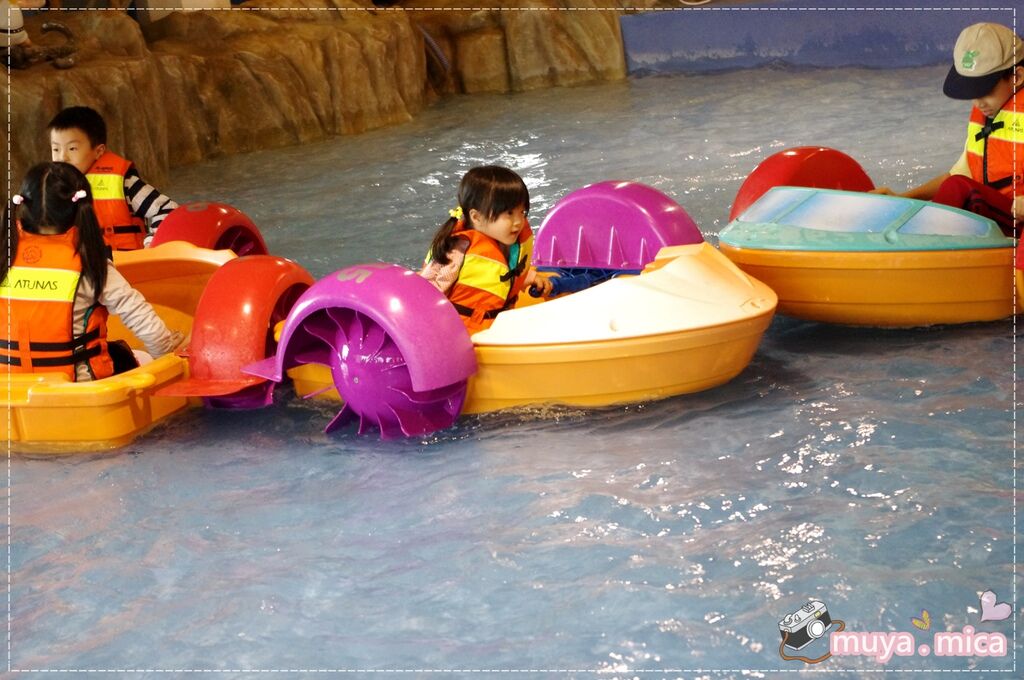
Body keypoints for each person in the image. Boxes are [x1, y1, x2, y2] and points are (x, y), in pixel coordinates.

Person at [1, 162, 184, 382]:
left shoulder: (4, 256)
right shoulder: (90, 263)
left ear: (23, 205)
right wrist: (168, 355)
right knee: (133, 356)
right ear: (82, 207)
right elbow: (139, 316)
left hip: (11, 388)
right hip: (78, 390)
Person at [872, 23, 1022, 236]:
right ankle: (916, 235)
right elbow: (957, 176)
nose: (978, 103)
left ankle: (919, 242)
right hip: (1002, 216)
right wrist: (903, 199)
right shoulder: (990, 117)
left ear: (1017, 77)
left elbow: (961, 187)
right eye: (972, 91)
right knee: (955, 185)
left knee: (959, 188)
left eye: (985, 90)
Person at [420, 165, 554, 334]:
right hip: (465, 334)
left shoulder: (505, 240)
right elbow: (426, 294)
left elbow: (501, 276)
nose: (519, 221)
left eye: (522, 212)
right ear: (476, 217)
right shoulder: (457, 251)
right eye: (509, 213)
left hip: (499, 324)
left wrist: (531, 277)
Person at [47, 105, 178, 250]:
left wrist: (152, 241)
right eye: (56, 149)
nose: (62, 157)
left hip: (127, 262)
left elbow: (168, 209)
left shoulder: (125, 184)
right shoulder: (49, 188)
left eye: (72, 148)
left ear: (98, 151)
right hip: (79, 263)